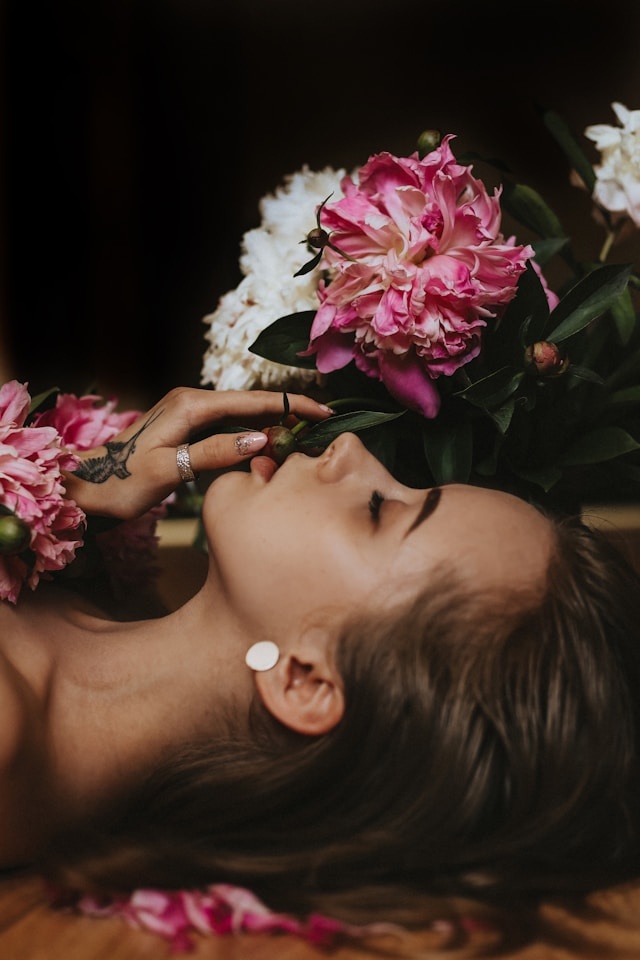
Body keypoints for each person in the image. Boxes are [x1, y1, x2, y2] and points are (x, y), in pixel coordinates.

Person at [2, 385, 640, 947]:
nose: (352, 452)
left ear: (304, 681)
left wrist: (59, 479)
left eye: (379, 510)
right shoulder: (99, 582)